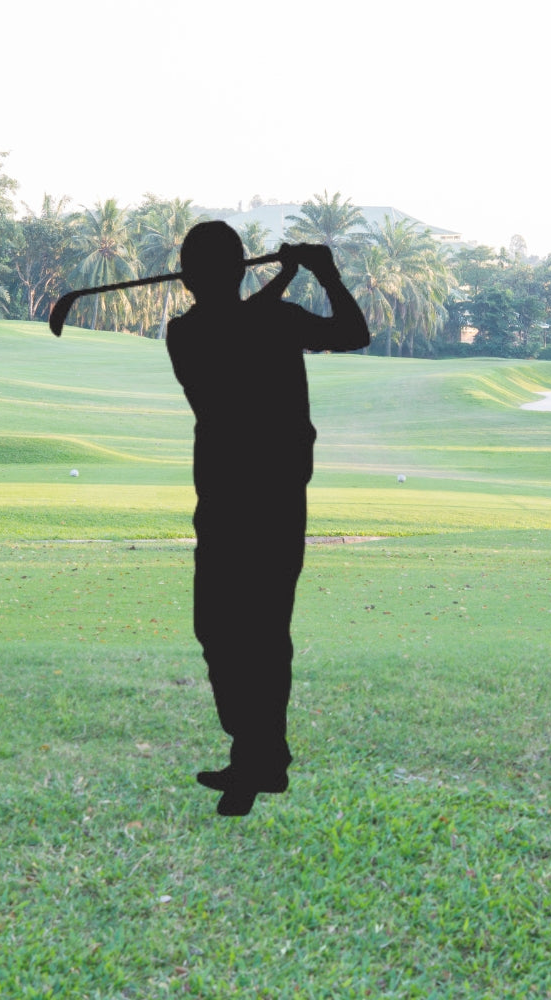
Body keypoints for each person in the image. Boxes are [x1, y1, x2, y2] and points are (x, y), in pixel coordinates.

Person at [165, 221, 370, 816]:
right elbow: (256, 325)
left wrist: (290, 275)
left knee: (259, 633)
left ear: (188, 279)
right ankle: (259, 753)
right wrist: (317, 273)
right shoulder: (200, 331)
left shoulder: (225, 324)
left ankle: (257, 761)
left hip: (264, 500)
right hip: (235, 502)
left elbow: (354, 336)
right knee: (220, 631)